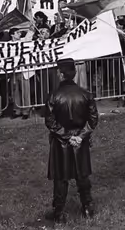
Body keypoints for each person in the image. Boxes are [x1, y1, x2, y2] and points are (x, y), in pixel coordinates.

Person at [45, 58, 98, 223]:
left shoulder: (54, 96)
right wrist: (80, 136)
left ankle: (59, 212)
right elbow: (93, 119)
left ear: (61, 74)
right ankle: (87, 207)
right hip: (79, 141)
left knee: (61, 176)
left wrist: (69, 136)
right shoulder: (85, 94)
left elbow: (50, 122)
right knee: (82, 174)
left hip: (62, 142)